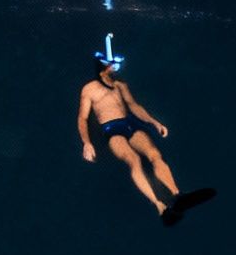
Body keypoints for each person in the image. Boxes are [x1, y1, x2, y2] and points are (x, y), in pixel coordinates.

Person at [77, 56, 213, 225]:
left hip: (129, 124)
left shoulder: (120, 85)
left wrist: (154, 122)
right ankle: (160, 206)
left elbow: (134, 106)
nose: (116, 67)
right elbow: (82, 118)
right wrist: (87, 143)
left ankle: (177, 195)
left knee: (154, 154)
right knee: (133, 160)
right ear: (104, 66)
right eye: (112, 64)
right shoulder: (90, 89)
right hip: (111, 129)